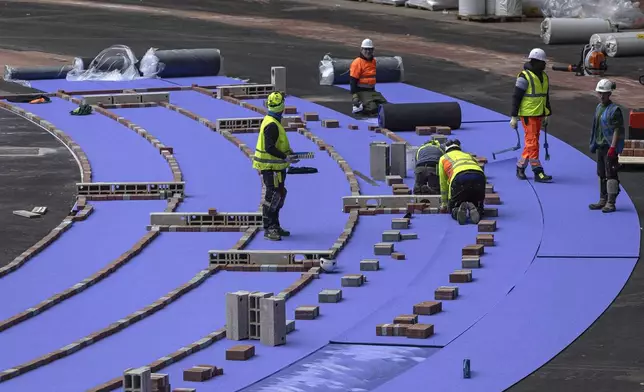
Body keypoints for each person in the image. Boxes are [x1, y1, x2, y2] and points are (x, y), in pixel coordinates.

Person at [252, 91, 300, 241]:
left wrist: (288, 152)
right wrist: (285, 156)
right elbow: (269, 147)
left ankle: (275, 225)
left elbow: (277, 144)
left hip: (276, 167)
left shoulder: (272, 120)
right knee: (272, 196)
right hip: (270, 167)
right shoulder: (272, 124)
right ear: (282, 107)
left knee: (279, 194)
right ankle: (269, 228)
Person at [510, 48, 553, 183]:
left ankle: (520, 167)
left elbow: (545, 97)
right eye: (543, 62)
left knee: (531, 143)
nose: (545, 65)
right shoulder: (524, 76)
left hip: (539, 114)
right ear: (536, 62)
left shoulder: (544, 77)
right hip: (528, 115)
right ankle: (538, 172)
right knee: (533, 143)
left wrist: (547, 113)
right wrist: (514, 116)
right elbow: (516, 97)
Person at [589, 78, 624, 213]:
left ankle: (611, 202)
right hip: (600, 146)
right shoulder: (599, 108)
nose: (602, 96)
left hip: (609, 147)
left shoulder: (614, 110)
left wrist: (613, 147)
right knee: (601, 173)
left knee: (611, 174)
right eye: (600, 93)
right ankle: (603, 199)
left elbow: (617, 129)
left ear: (609, 94)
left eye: (604, 93)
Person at [438, 140, 486, 225]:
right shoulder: (468, 155)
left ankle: (456, 211)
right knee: (476, 200)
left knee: (453, 206)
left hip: (460, 177)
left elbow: (443, 183)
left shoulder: (443, 158)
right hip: (479, 176)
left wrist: (446, 203)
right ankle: (477, 209)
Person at [350, 38, 388, 116]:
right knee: (373, 108)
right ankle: (359, 108)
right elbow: (353, 81)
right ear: (361, 49)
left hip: (371, 91)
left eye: (370, 49)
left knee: (385, 106)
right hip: (361, 91)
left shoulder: (373, 61)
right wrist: (355, 96)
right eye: (366, 49)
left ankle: (365, 105)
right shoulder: (357, 62)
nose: (368, 51)